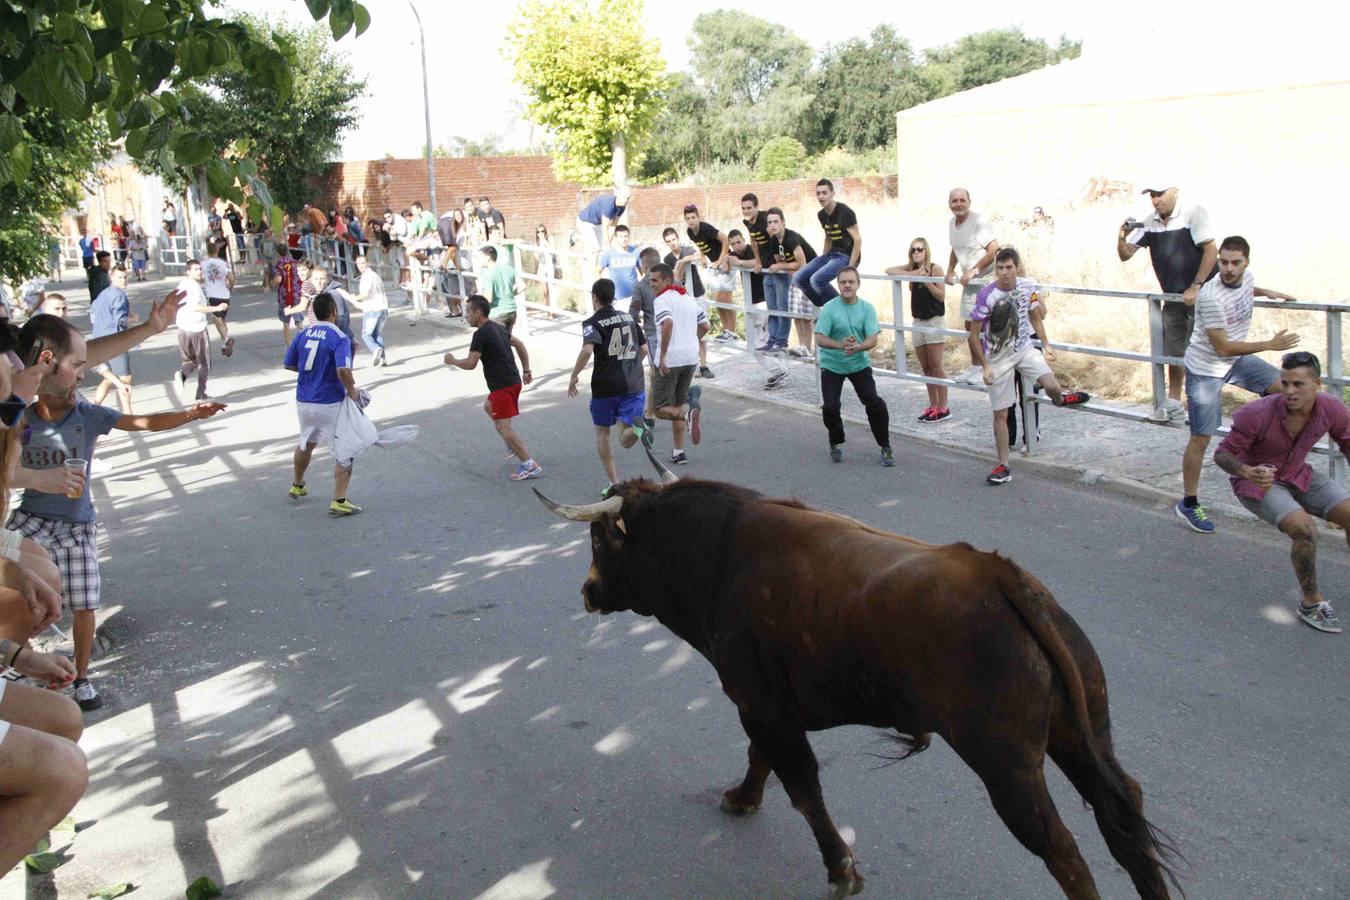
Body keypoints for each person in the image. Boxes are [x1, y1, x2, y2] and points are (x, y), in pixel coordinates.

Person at [11, 314, 225, 710]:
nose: (81, 379)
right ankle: (18, 665)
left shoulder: (87, 415)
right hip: (31, 521)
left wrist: (190, 414)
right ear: (42, 372)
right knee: (19, 594)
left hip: (77, 525)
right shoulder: (19, 414)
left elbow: (140, 422)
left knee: (85, 603)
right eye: (76, 368)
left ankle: (81, 677)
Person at [1214, 352, 1350, 634]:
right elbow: (1223, 454)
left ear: (1317, 384)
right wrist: (1244, 471)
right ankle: (1311, 603)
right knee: (1304, 529)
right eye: (1285, 383)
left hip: (1300, 475)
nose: (1289, 391)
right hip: (1257, 483)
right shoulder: (1257, 413)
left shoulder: (1331, 408)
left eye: (1298, 384)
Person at [1175, 235, 1299, 533]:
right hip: (1207, 367)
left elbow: (1245, 288)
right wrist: (1271, 343)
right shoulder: (1210, 297)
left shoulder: (1247, 277)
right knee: (1201, 437)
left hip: (1235, 360)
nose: (1228, 269)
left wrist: (1266, 291)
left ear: (1246, 262)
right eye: (1223, 262)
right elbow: (1223, 348)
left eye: (1235, 263)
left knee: (1288, 393)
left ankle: (1268, 460)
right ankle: (1189, 503)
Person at [968, 248, 1091, 485]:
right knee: (1000, 413)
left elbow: (1035, 315)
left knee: (1052, 385)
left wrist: (1046, 344)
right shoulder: (986, 294)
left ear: (1017, 267)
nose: (1004, 273)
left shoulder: (1027, 286)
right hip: (997, 359)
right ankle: (1003, 466)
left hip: (1024, 350)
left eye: (1009, 268)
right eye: (1000, 268)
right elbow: (973, 334)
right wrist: (984, 366)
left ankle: (1061, 399)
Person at [1118, 183, 1218, 423]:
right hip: (1172, 297)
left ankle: (1201, 406)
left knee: (1202, 352)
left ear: (1175, 191)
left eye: (1160, 194)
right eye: (1152, 195)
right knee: (1174, 351)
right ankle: (1173, 404)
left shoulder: (1193, 213)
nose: (1155, 200)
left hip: (1202, 296)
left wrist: (1196, 285)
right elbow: (1126, 254)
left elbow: (1211, 250)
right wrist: (1121, 236)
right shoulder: (1150, 221)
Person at [444, 295, 542, 481]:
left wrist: (453, 361)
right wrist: (526, 369)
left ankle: (530, 464)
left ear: (477, 313)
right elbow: (519, 344)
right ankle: (511, 444)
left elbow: (471, 363)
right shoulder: (498, 327)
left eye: (469, 312)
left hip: (502, 386)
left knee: (503, 427)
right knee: (488, 407)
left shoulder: (480, 334)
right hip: (512, 381)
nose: (466, 316)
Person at [568, 278, 653, 493]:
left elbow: (587, 350)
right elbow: (644, 349)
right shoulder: (630, 319)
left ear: (595, 297)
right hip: (633, 382)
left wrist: (574, 375)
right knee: (625, 439)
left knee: (603, 432)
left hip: (606, 385)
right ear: (613, 296)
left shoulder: (592, 322)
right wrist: (632, 366)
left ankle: (614, 481)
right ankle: (641, 425)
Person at [283, 293, 362, 515]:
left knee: (306, 442)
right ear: (334, 312)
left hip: (304, 400)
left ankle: (298, 484)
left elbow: (289, 364)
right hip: (329, 402)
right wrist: (353, 392)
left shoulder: (303, 334)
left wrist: (312, 373)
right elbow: (343, 370)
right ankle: (339, 499)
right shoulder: (339, 337)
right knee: (344, 449)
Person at [813, 267, 893, 466]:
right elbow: (819, 338)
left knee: (874, 403)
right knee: (830, 407)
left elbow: (872, 339)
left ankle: (885, 446)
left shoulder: (867, 308)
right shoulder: (830, 308)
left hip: (858, 363)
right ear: (838, 285)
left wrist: (858, 347)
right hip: (832, 364)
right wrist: (840, 345)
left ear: (858, 284)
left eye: (851, 282)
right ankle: (836, 441)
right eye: (843, 282)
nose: (847, 285)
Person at [649, 263, 709, 465]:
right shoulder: (688, 298)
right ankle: (679, 451)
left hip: (671, 360)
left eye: (655, 280)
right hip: (690, 358)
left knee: (660, 409)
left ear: (667, 280)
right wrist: (692, 341)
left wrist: (663, 355)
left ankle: (688, 416)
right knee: (676, 404)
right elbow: (705, 325)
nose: (651, 284)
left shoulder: (662, 300)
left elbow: (667, 323)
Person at [887, 237, 950, 421]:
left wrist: (926, 280)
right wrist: (914, 273)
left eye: (920, 249)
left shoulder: (935, 268)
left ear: (926, 250)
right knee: (926, 367)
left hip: (934, 321)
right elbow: (889, 270)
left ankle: (944, 406)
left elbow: (941, 296)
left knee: (937, 366)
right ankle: (933, 405)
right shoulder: (911, 268)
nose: (916, 252)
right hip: (918, 322)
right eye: (913, 250)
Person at [943, 189, 999, 387]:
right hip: (969, 282)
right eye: (954, 201)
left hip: (985, 280)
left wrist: (974, 271)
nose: (958, 204)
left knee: (984, 326)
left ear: (969, 201)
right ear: (949, 203)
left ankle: (987, 367)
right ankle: (975, 367)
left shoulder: (978, 220)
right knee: (969, 325)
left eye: (962, 200)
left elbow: (994, 249)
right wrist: (950, 270)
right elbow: (956, 248)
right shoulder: (952, 223)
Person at [727, 230, 788, 390]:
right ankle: (779, 372)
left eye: (738, 242)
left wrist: (739, 263)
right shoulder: (733, 253)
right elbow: (725, 265)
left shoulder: (752, 250)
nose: (736, 246)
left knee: (755, 344)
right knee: (768, 340)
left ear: (744, 239)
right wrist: (727, 259)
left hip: (761, 302)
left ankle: (779, 370)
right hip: (755, 303)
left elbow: (757, 262)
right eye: (733, 243)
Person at [794, 179, 861, 308]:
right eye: (818, 193)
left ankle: (843, 308)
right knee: (798, 278)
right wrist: (823, 258)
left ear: (832, 193)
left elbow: (857, 240)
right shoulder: (821, 215)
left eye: (824, 193)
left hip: (845, 255)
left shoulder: (845, 212)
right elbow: (828, 237)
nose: (821, 196)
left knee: (817, 280)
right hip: (831, 254)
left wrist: (851, 267)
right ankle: (825, 306)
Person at [662, 227, 712, 378]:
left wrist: (683, 260)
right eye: (669, 241)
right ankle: (693, 364)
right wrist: (680, 265)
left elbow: (700, 256)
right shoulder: (667, 259)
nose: (672, 243)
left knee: (703, 328)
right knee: (688, 331)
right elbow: (675, 276)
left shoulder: (687, 250)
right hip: (682, 298)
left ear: (678, 238)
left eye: (674, 240)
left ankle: (704, 365)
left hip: (697, 293)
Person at [683, 205, 737, 341]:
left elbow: (725, 239)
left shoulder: (706, 228)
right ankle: (726, 330)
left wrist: (720, 260)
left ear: (698, 217)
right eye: (688, 218)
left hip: (724, 262)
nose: (691, 221)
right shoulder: (690, 232)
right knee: (718, 299)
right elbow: (700, 244)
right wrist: (702, 256)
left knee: (726, 298)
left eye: (693, 217)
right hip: (713, 265)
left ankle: (733, 331)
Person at [175, 260, 227, 401]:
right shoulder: (193, 288)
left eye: (199, 269)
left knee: (189, 361)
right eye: (195, 269)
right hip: (196, 327)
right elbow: (196, 307)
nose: (199, 271)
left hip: (182, 327)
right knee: (204, 364)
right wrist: (216, 308)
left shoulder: (182, 284)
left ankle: (182, 375)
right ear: (188, 272)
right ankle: (200, 394)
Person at [90, 266, 137, 414]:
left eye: (125, 277)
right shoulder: (119, 296)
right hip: (114, 341)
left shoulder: (103, 294)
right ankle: (128, 413)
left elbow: (93, 312)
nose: (123, 280)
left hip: (99, 339)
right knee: (125, 377)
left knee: (110, 377)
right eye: (120, 277)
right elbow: (120, 320)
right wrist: (132, 318)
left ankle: (94, 405)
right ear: (112, 277)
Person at [627, 247, 663, 422]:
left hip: (654, 334)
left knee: (655, 375)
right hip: (675, 334)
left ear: (645, 266)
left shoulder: (641, 286)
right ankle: (653, 413)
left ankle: (649, 415)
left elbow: (632, 314)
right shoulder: (675, 281)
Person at [348, 254, 390, 367]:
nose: (361, 266)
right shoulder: (375, 275)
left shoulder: (367, 276)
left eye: (363, 263)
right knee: (376, 334)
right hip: (382, 307)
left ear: (368, 263)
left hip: (373, 309)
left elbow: (365, 294)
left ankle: (376, 349)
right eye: (358, 264)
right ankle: (383, 359)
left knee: (366, 334)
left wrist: (354, 297)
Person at [201, 238, 236, 357]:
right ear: (217, 251)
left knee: (217, 319)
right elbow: (231, 277)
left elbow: (200, 278)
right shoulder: (223, 263)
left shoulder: (203, 264)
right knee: (222, 319)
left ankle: (226, 339)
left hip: (212, 295)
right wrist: (231, 287)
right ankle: (224, 344)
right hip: (225, 295)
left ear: (207, 251)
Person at [481, 245, 522, 335]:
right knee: (506, 340)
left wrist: (476, 304)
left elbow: (488, 299)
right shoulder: (509, 268)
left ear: (488, 258)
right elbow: (522, 286)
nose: (479, 260)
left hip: (497, 314)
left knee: (497, 344)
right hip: (511, 310)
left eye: (481, 257)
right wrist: (510, 293)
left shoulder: (488, 274)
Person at [598, 225, 641, 308]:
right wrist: (603, 288)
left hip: (634, 297)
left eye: (626, 236)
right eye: (621, 237)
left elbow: (643, 271)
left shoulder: (635, 252)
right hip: (616, 299)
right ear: (616, 238)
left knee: (634, 321)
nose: (624, 239)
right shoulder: (609, 254)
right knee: (619, 320)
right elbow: (597, 270)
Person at [576, 191, 629, 255]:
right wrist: (609, 247)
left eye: (628, 198)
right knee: (596, 249)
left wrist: (609, 243)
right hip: (584, 221)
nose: (626, 200)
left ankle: (586, 256)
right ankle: (576, 236)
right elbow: (604, 228)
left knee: (600, 248)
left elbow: (613, 226)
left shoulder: (622, 207)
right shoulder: (608, 204)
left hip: (597, 224)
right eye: (625, 197)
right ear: (618, 195)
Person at [275, 246, 305, 346]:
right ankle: (307, 337)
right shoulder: (295, 263)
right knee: (299, 321)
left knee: (286, 322)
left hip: (285, 296)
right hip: (296, 294)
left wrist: (272, 282)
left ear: (278, 253)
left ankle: (289, 345)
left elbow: (278, 279)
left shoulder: (280, 264)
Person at [533, 224, 559, 310]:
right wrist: (535, 270)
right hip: (542, 267)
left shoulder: (550, 239)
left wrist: (545, 242)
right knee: (545, 290)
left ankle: (551, 310)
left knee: (551, 289)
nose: (540, 233)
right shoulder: (536, 244)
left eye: (542, 231)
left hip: (551, 266)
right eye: (538, 232)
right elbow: (536, 258)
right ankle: (548, 307)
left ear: (545, 232)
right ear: (536, 234)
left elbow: (553, 251)